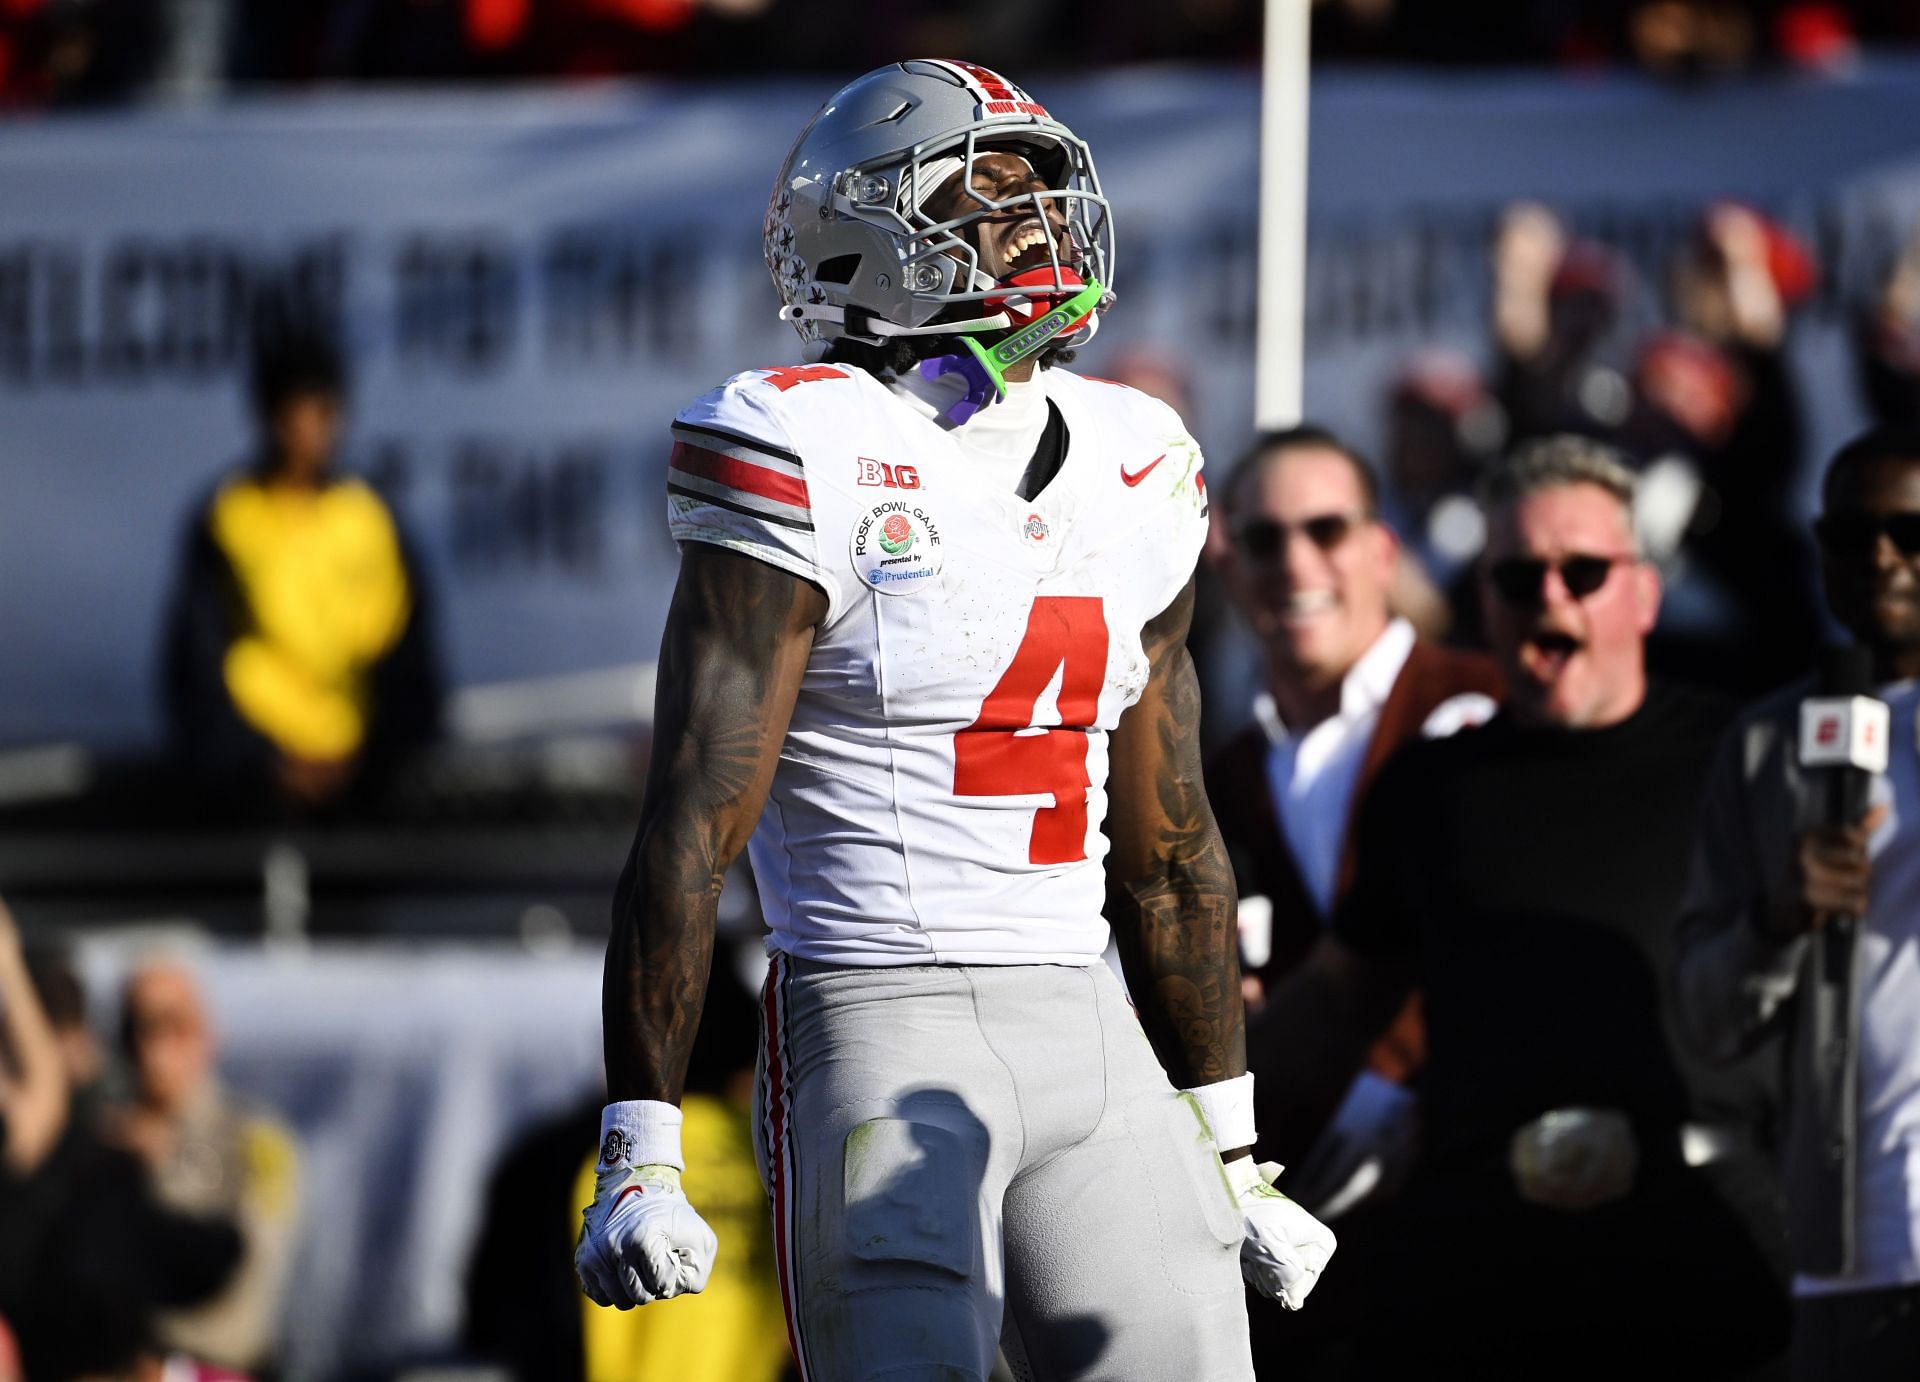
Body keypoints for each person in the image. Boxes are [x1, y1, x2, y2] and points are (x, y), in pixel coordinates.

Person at [573, 59, 1334, 1381]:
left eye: (1043, 190)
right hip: (875, 1008)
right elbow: (694, 815)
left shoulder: (1135, 455)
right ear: (866, 231)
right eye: (987, 194)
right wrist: (641, 1140)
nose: (1036, 225)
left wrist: (1233, 1141)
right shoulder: (800, 441)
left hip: (1087, 1019)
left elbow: (1167, 843)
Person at [1253, 435, 1787, 1378]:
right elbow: (1337, 1002)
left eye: (1583, 571)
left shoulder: (1742, 762)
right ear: (1484, 599)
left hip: (1711, 1266)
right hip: (1481, 1282)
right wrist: (1181, 1097)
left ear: (1644, 593)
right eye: (1516, 576)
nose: (1550, 595)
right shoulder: (1429, 786)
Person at [1677, 425, 1920, 1381]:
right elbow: (1703, 1014)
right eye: (1852, 535)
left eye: (1912, 531)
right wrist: (1777, 921)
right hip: (1851, 1240)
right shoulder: (1768, 744)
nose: (1883, 558)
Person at [162, 322, 442, 818]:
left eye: (322, 412)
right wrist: (258, 760)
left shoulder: (369, 518)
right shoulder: (230, 516)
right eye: (295, 412)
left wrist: (374, 759)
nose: (308, 431)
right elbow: (195, 660)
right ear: (269, 415)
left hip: (362, 789)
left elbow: (409, 657)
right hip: (251, 790)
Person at [107, 957, 300, 1375]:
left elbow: (249, 1275)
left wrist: (161, 1174)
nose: (150, 1046)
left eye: (171, 1024)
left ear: (206, 1034)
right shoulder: (103, 1136)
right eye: (134, 1027)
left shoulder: (256, 1141)